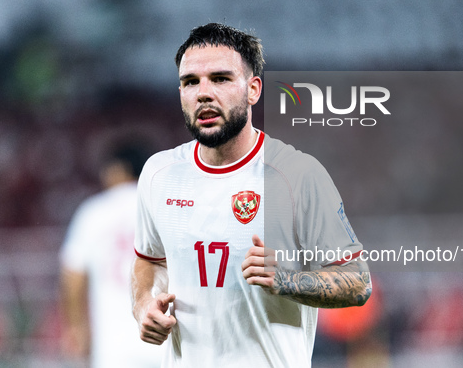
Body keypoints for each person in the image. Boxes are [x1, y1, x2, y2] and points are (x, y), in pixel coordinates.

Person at [131, 23, 372, 367]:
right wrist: (143, 304)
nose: (203, 93)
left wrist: (287, 280)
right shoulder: (159, 173)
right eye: (190, 82)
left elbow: (357, 282)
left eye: (220, 79)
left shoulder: (296, 175)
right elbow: (150, 259)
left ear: (253, 89)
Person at [60, 139, 163, 367]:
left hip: (114, 347)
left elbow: (73, 276)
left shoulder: (94, 212)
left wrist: (77, 327)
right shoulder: (165, 207)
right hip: (164, 341)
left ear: (117, 170)